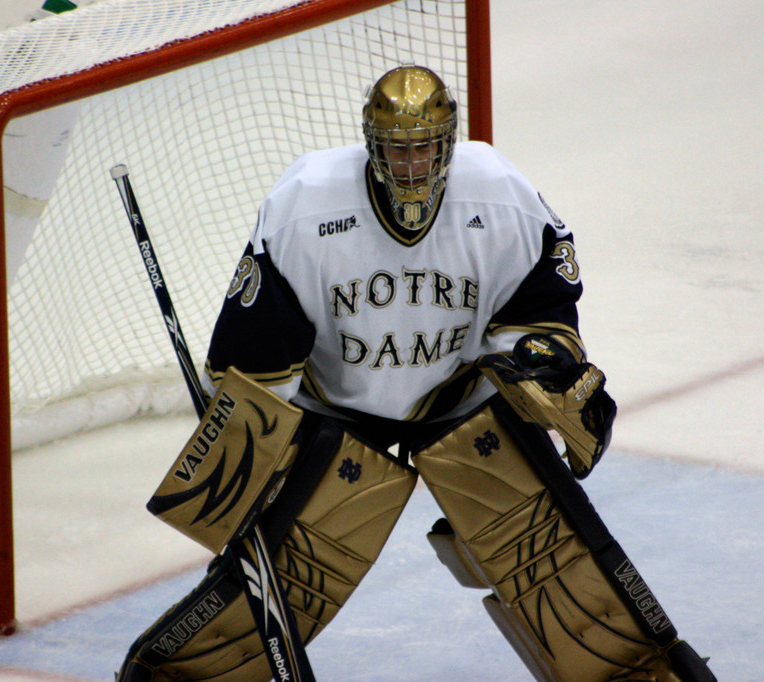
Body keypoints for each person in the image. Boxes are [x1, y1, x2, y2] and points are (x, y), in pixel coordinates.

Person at [117, 65, 715, 682]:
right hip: (338, 408)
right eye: (398, 150)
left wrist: (545, 366)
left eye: (424, 148)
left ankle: (637, 673)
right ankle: (174, 677)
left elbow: (540, 306)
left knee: (556, 558)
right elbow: (254, 357)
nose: (412, 165)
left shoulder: (498, 193)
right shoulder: (306, 205)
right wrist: (255, 455)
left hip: (464, 400)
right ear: (373, 145)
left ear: (447, 144)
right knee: (286, 571)